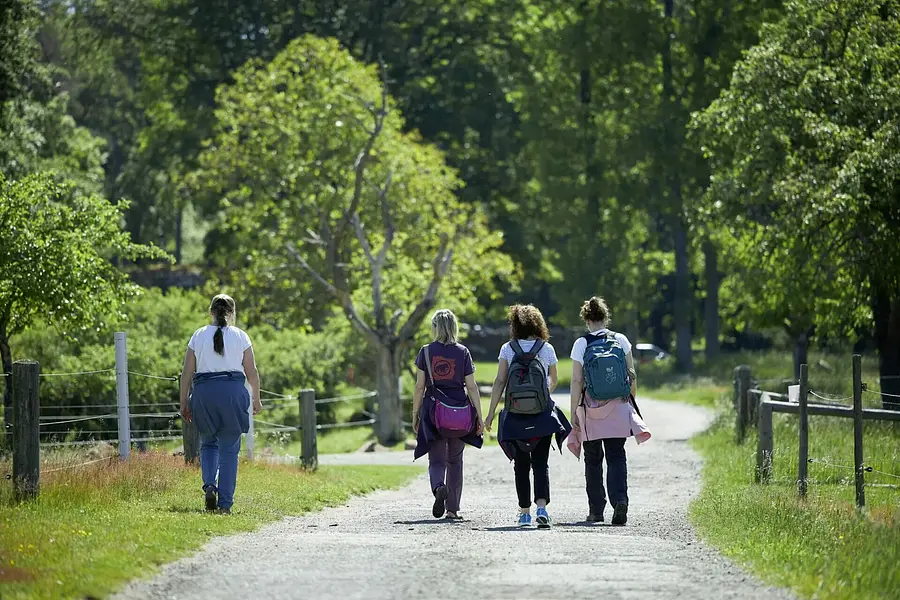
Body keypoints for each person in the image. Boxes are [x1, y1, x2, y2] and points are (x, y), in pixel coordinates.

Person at [485, 304, 571, 528]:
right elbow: (554, 380)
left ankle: (524, 514)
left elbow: (500, 381)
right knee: (541, 463)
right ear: (538, 323)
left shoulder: (507, 348)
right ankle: (541, 508)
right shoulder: (546, 348)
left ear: (514, 325)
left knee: (521, 464)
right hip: (542, 415)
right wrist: (543, 396)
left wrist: (491, 413)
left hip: (514, 415)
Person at [567, 296, 650, 526]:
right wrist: (630, 401)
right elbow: (631, 374)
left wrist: (574, 411)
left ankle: (596, 511)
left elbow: (576, 380)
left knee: (593, 459)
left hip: (592, 409)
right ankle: (620, 500)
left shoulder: (581, 344)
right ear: (606, 317)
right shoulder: (620, 340)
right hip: (618, 406)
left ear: (586, 319)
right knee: (616, 456)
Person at [179, 294, 262, 514]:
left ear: (211, 313)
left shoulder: (198, 335)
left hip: (204, 393)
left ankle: (209, 486)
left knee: (208, 443)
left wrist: (183, 402)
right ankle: (224, 504)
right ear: (232, 313)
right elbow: (251, 372)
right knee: (229, 451)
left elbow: (187, 373)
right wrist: (256, 399)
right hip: (232, 394)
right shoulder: (241, 336)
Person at [412, 309, 484, 520]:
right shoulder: (463, 352)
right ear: (454, 327)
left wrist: (415, 413)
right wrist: (479, 416)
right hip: (459, 413)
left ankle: (438, 488)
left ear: (435, 328)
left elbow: (419, 386)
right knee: (455, 461)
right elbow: (472, 386)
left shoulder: (426, 351)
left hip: (433, 411)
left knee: (436, 460)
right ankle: (452, 510)